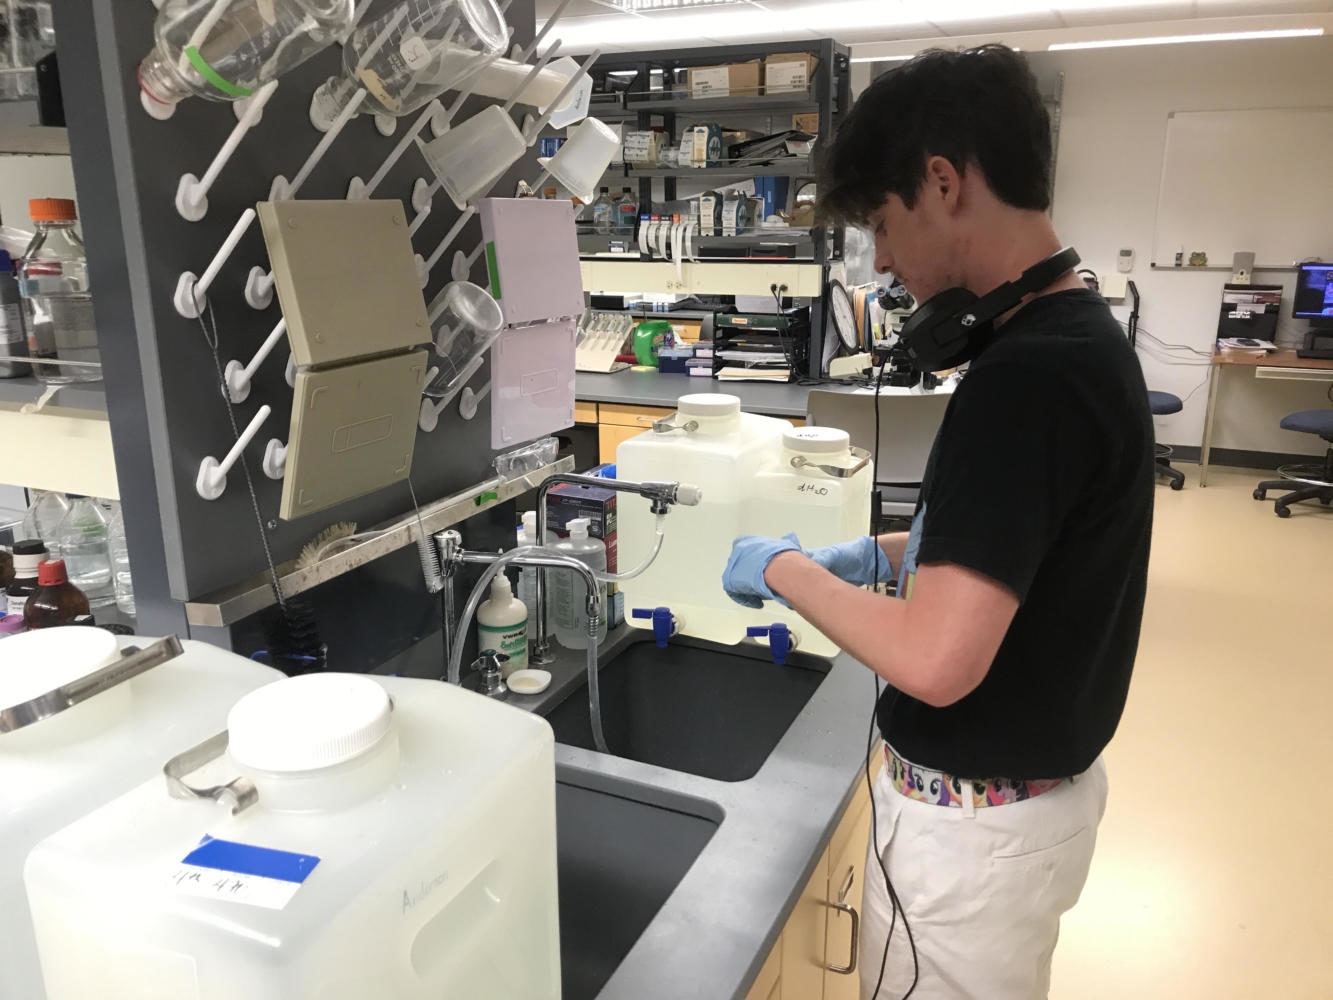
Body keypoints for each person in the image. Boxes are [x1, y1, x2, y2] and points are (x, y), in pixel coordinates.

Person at [721, 45, 1154, 1000]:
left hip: (968, 842)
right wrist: (884, 555)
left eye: (882, 224)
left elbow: (936, 662)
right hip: (1029, 810)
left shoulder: (1023, 380)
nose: (880, 260)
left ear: (943, 183)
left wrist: (790, 572)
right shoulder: (1076, 335)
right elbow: (1022, 542)